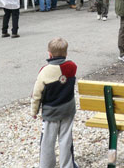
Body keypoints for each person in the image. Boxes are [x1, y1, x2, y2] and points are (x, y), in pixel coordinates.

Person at [30, 37, 78, 168]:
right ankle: (67, 165)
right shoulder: (72, 67)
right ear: (66, 53)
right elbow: (64, 76)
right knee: (66, 139)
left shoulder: (44, 71)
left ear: (49, 54)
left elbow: (36, 94)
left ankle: (46, 165)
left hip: (51, 112)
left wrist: (34, 111)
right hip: (67, 109)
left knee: (47, 141)